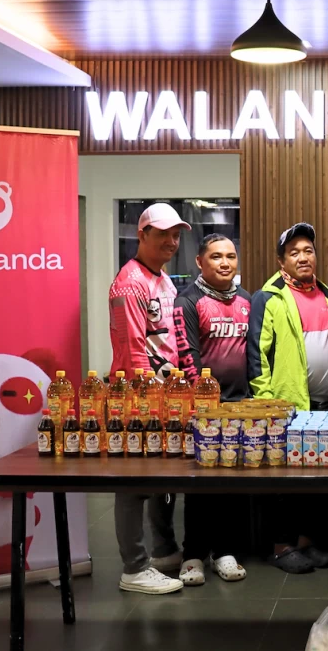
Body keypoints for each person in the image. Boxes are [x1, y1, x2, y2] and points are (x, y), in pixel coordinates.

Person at [247, 222, 328, 573]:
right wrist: (268, 403)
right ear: (281, 260)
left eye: (309, 250)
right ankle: (282, 546)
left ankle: (305, 543)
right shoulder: (268, 297)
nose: (303, 257)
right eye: (294, 252)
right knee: (286, 483)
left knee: (315, 482)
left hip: (324, 405)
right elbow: (257, 354)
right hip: (287, 407)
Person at [108, 202, 188, 595]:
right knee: (134, 482)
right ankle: (134, 568)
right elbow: (131, 352)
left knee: (162, 477)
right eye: (162, 235)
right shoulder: (129, 283)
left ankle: (165, 551)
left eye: (176, 235)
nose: (171, 242)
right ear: (141, 235)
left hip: (166, 395)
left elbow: (171, 342)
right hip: (139, 398)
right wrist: (148, 402)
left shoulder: (164, 280)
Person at [172, 234, 254, 586]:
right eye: (216, 256)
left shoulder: (248, 300)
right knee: (200, 484)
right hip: (204, 408)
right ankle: (193, 554)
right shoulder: (187, 300)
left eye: (231, 256)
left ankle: (224, 551)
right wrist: (203, 403)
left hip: (241, 405)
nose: (225, 263)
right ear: (200, 263)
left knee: (232, 483)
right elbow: (187, 356)